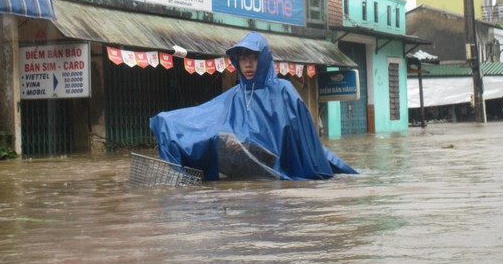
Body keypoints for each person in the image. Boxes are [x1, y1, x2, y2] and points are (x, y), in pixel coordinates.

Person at [149, 31, 357, 180]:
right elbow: (204, 120)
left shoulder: (284, 91)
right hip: (249, 173)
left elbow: (303, 140)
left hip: (277, 172)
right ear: (236, 62)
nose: (248, 64)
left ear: (264, 59)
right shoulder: (234, 96)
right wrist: (167, 126)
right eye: (243, 58)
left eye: (254, 58)